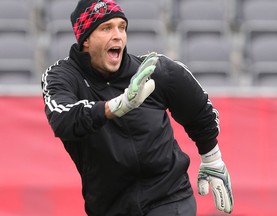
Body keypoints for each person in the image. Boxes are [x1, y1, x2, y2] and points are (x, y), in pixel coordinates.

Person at [41, 0, 234, 215]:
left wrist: (212, 159)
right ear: (86, 40)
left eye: (122, 27)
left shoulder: (152, 70)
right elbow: (63, 119)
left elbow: (198, 111)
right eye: (106, 28)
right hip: (110, 207)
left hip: (169, 197)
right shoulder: (61, 76)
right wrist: (116, 106)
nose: (118, 36)